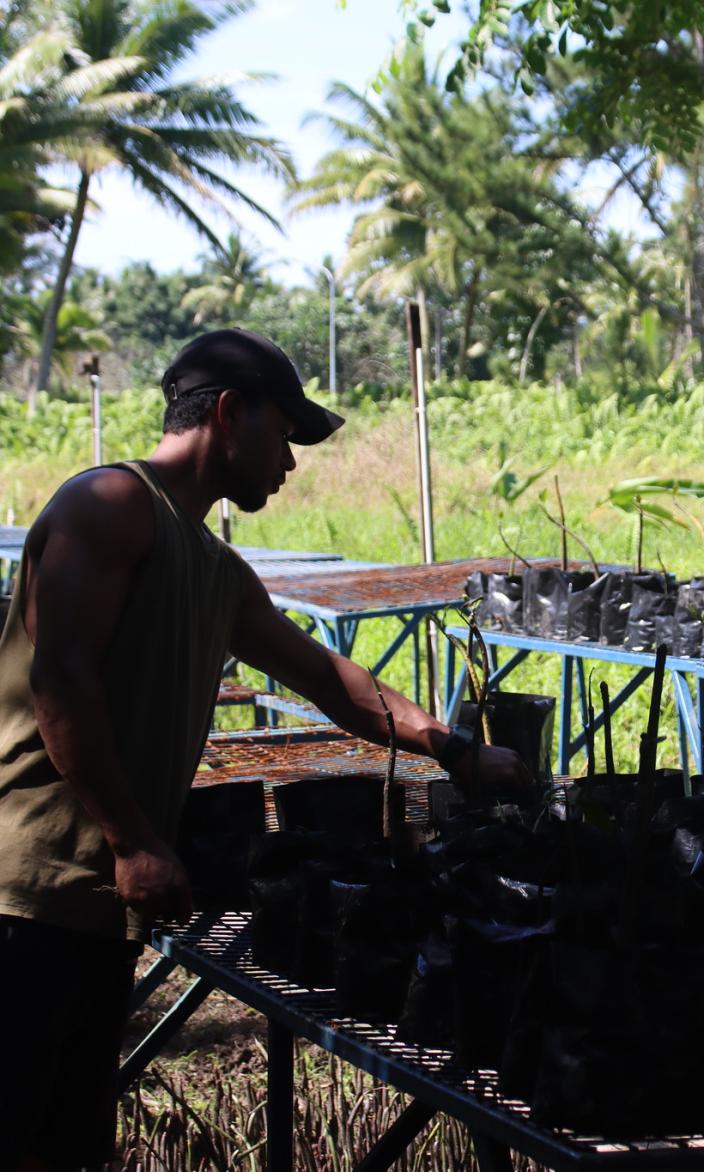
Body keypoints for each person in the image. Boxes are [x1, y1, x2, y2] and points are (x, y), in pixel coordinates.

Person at [0, 328, 530, 1172]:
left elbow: (326, 677)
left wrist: (451, 748)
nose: (289, 463)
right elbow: (60, 680)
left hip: (98, 908)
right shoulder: (108, 506)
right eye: (285, 435)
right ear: (228, 413)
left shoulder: (214, 568)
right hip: (25, 899)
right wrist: (136, 840)